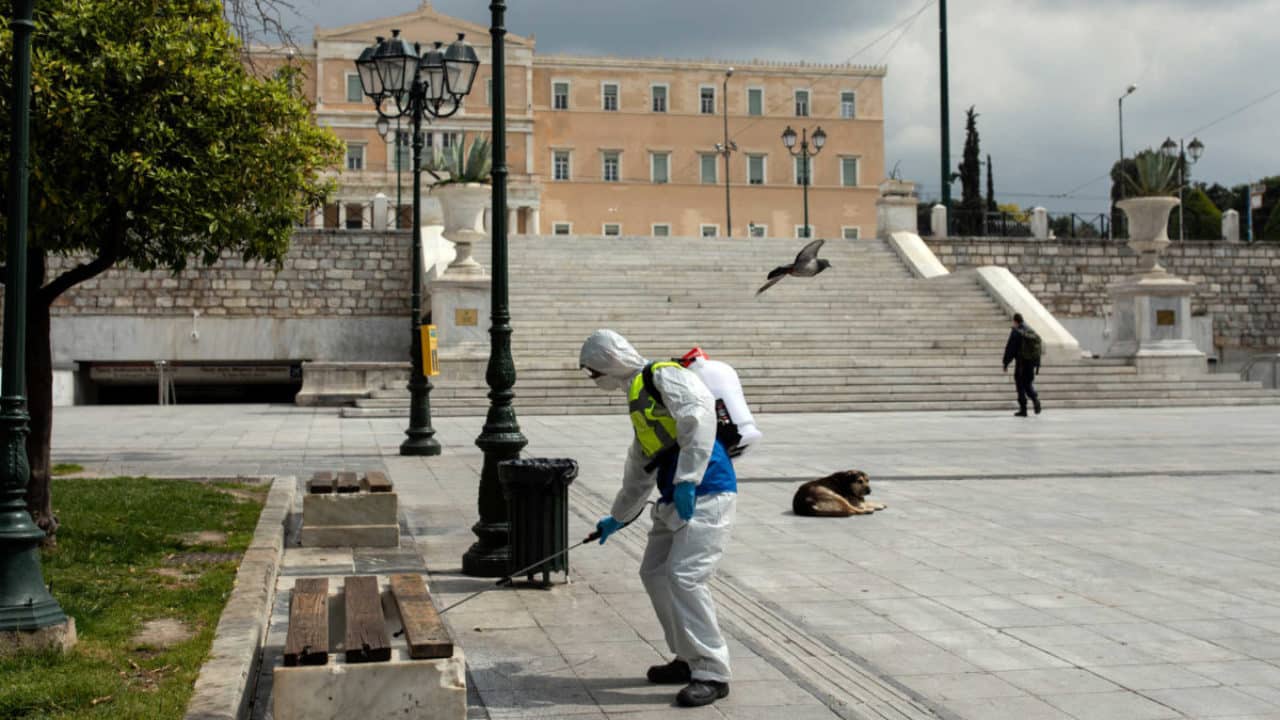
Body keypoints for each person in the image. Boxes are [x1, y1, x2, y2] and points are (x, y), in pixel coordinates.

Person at [579, 329, 738, 708]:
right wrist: (616, 517)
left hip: (707, 488)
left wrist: (687, 479)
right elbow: (640, 464)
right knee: (654, 571)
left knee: (685, 576)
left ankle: (712, 671)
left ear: (608, 362)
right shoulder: (639, 396)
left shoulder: (664, 375)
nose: (593, 379)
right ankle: (687, 656)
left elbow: (699, 419)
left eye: (593, 371)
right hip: (676, 495)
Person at [1002, 313, 1042, 417]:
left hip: (1021, 364)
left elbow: (1010, 348)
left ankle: (1023, 409)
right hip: (1031, 363)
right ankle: (1035, 399)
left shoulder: (1016, 332)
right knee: (1028, 383)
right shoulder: (1029, 329)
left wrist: (1006, 362)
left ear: (1015, 321)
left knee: (1020, 385)